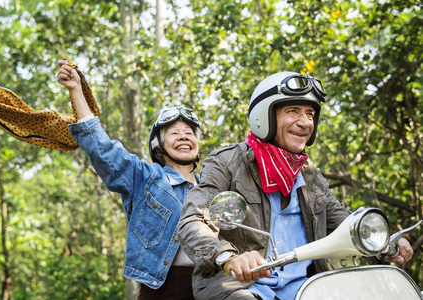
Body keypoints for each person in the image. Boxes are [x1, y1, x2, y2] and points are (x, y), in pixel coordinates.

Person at [177, 71, 414, 300]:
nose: (305, 123)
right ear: (264, 116)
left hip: (309, 289)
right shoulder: (226, 163)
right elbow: (193, 220)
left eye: (310, 114)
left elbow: (346, 224)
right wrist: (227, 256)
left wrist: (384, 242)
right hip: (244, 289)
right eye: (292, 111)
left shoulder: (310, 175)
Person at [56, 59, 200, 300]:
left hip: (212, 287)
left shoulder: (214, 186)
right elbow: (102, 149)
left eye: (189, 133)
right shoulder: (145, 178)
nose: (183, 137)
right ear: (159, 147)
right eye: (174, 133)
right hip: (161, 289)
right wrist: (76, 91)